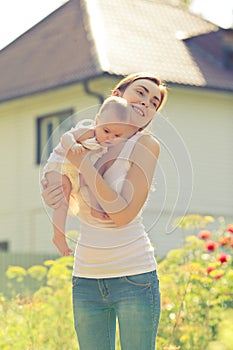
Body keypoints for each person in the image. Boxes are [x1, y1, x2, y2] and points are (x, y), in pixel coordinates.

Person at [41, 72, 167, 350]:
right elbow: (63, 181)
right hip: (86, 278)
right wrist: (55, 185)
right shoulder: (89, 136)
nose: (146, 102)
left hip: (135, 278)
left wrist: (84, 164)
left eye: (154, 102)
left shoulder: (145, 145)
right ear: (117, 95)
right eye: (141, 93)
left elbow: (123, 215)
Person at [42, 96, 140, 256]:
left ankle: (96, 210)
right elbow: (65, 137)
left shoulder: (106, 147)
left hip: (77, 170)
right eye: (106, 131)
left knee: (90, 181)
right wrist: (73, 145)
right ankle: (58, 236)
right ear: (97, 121)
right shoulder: (89, 131)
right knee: (62, 197)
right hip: (60, 166)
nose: (109, 138)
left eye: (117, 136)